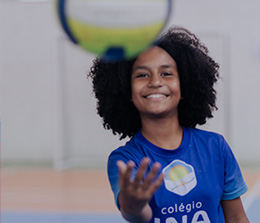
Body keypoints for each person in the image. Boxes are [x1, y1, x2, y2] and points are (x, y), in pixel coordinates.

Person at [88, 26, 249, 223]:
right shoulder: (126, 159)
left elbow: (237, 218)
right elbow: (137, 214)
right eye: (142, 75)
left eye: (166, 73)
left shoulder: (215, 147)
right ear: (127, 91)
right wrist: (133, 204)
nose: (155, 82)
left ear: (184, 86)